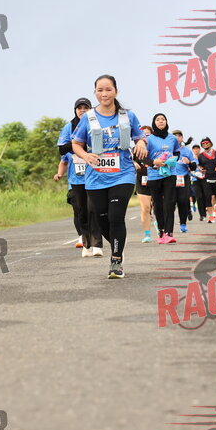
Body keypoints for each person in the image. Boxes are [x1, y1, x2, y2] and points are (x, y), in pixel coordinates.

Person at [71, 74, 148, 278]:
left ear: (116, 91)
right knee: (103, 219)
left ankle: (116, 260)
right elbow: (76, 144)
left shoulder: (128, 116)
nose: (104, 94)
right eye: (100, 90)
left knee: (115, 216)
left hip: (123, 173)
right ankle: (118, 245)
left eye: (108, 89)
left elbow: (140, 137)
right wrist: (85, 155)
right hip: (95, 177)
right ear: (95, 93)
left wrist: (141, 143)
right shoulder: (88, 118)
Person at [55, 97, 103, 257]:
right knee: (81, 211)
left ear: (91, 109)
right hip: (76, 178)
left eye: (85, 108)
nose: (82, 110)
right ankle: (86, 244)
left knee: (94, 209)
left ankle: (97, 244)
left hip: (95, 175)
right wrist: (78, 145)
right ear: (75, 110)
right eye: (79, 108)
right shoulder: (68, 127)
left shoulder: (96, 124)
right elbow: (62, 150)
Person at [145, 113, 180, 244]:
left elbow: (177, 152)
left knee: (170, 203)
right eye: (158, 119)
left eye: (163, 119)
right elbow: (141, 157)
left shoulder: (172, 138)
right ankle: (161, 231)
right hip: (154, 174)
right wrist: (154, 162)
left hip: (170, 173)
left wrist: (172, 160)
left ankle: (169, 233)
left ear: (166, 122)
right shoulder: (149, 139)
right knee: (158, 204)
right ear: (154, 123)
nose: (161, 121)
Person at [171, 130, 197, 233]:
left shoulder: (187, 151)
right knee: (170, 202)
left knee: (182, 201)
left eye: (179, 136)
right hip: (170, 178)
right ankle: (168, 226)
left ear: (182, 138)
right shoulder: (168, 149)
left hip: (183, 178)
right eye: (175, 136)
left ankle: (183, 223)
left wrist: (189, 162)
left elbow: (194, 167)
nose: (177, 138)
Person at [197, 137, 216, 222]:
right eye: (203, 143)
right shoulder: (201, 156)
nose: (205, 144)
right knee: (207, 197)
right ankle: (211, 216)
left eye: (207, 142)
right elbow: (199, 165)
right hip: (207, 178)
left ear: (210, 143)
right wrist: (201, 169)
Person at [135, 125, 154, 243]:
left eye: (147, 134)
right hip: (142, 181)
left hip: (156, 180)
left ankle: (161, 229)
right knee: (145, 208)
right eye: (143, 135)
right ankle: (147, 234)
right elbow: (127, 160)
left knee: (158, 207)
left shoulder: (155, 148)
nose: (145, 137)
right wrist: (133, 163)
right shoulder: (135, 149)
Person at [190, 144, 207, 221]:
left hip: (204, 179)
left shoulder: (203, 158)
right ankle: (202, 215)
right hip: (195, 180)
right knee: (199, 197)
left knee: (205, 196)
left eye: (197, 148)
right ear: (192, 150)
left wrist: (203, 170)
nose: (196, 150)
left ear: (200, 150)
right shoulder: (191, 159)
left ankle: (204, 212)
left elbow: (207, 167)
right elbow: (189, 169)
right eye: (194, 149)